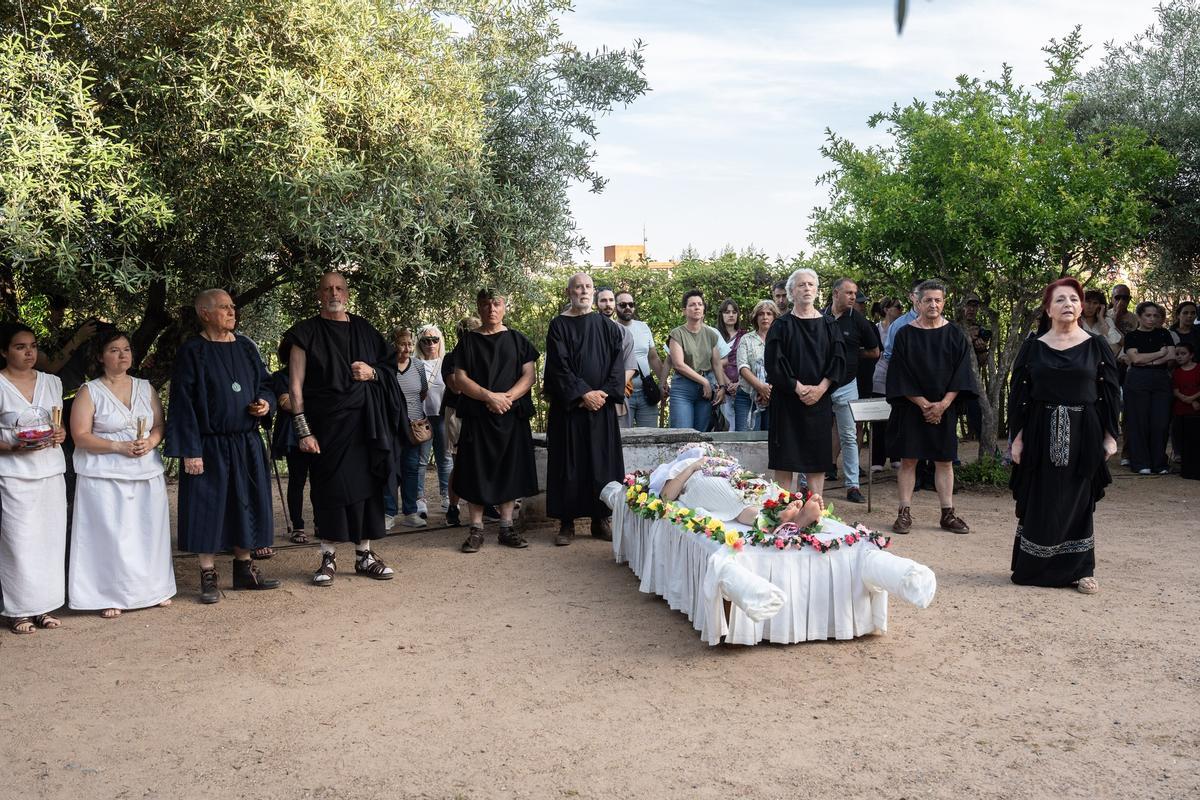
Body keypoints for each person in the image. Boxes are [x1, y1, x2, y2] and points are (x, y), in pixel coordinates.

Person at [284, 272, 400, 586]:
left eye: (339, 288)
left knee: (366, 489)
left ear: (347, 294)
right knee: (329, 490)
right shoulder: (303, 333)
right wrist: (303, 431)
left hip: (364, 426)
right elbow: (295, 387)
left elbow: (390, 369)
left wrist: (373, 372)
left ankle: (365, 555)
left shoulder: (364, 329)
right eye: (327, 289)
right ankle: (328, 557)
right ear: (318, 294)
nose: (333, 293)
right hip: (325, 428)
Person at [165, 290, 279, 603]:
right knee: (208, 508)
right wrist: (191, 450)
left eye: (232, 307)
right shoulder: (193, 351)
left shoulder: (245, 346)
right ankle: (208, 574)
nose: (232, 312)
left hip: (245, 441)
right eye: (224, 307)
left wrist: (265, 405)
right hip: (208, 444)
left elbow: (266, 384)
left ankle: (245, 570)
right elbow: (182, 404)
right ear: (204, 313)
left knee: (246, 503)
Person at [1009, 278, 1119, 594]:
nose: (1067, 304)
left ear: (1081, 306)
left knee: (1078, 498)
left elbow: (1110, 392)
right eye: (1059, 300)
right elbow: (1019, 396)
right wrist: (1017, 438)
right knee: (1042, 498)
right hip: (1040, 430)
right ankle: (1034, 567)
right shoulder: (1033, 347)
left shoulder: (1096, 346)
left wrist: (1110, 435)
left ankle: (1082, 570)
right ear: (1048, 308)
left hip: (1085, 430)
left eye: (1073, 298)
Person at [68, 330, 175, 617]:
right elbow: (80, 436)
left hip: (145, 470)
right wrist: (118, 446)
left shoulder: (145, 387)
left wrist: (150, 443)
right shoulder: (89, 391)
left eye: (126, 349)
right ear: (101, 356)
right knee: (110, 535)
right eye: (114, 350)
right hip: (104, 475)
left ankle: (154, 589)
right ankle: (108, 594)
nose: (123, 354)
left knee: (148, 532)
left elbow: (159, 425)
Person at [885, 279, 976, 534]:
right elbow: (900, 374)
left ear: (944, 302)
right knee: (909, 461)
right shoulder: (904, 333)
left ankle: (948, 514)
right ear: (918, 302)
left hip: (944, 409)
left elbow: (962, 374)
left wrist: (943, 404)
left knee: (944, 461)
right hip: (912, 408)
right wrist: (925, 404)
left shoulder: (955, 334)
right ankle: (904, 513)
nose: (933, 304)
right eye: (928, 300)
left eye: (938, 300)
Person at [452, 288, 539, 552]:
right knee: (476, 470)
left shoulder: (517, 339)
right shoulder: (467, 342)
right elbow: (460, 379)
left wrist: (506, 398)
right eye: (486, 304)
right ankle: (476, 529)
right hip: (478, 416)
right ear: (478, 308)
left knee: (509, 470)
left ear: (504, 307)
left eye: (497, 304)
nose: (491, 309)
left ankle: (506, 526)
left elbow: (529, 375)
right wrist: (489, 397)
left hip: (511, 416)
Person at [543, 273, 626, 546]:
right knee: (568, 465)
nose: (584, 291)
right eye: (578, 287)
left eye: (588, 287)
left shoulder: (610, 328)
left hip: (600, 410)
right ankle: (566, 523)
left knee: (601, 465)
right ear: (569, 291)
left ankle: (599, 520)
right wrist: (582, 395)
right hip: (570, 411)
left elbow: (617, 366)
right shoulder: (559, 326)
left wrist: (600, 395)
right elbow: (558, 367)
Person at [0, 324, 68, 633]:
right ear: (4, 351)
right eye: (20, 346)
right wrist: (13, 445)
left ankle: (46, 606)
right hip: (13, 472)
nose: (29, 352)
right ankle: (19, 610)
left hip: (50, 470)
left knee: (50, 539)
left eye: (33, 346)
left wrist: (60, 433)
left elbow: (59, 426)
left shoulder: (52, 382)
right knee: (19, 540)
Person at [766, 269, 846, 497]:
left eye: (811, 284)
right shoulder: (781, 326)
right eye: (801, 285)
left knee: (816, 458)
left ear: (817, 290)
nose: (807, 288)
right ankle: (782, 510)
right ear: (791, 291)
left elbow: (839, 360)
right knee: (785, 458)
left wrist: (821, 388)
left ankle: (816, 509)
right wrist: (798, 388)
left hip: (819, 403)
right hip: (787, 403)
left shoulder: (830, 325)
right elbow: (774, 363)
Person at [649, 445, 825, 529]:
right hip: (700, 480)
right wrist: (693, 466)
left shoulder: (722, 459)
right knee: (733, 499)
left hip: (732, 473)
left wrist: (724, 464)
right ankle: (778, 520)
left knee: (760, 487)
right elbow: (666, 496)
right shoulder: (681, 465)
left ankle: (795, 516)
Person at [827, 278, 880, 504]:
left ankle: (853, 486)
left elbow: (875, 351)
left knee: (849, 435)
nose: (853, 297)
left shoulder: (859, 321)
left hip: (848, 385)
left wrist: (851, 356)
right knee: (814, 435)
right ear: (835, 293)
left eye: (855, 293)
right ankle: (804, 484)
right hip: (819, 385)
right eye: (848, 293)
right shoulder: (819, 317)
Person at [1122, 301, 1176, 474]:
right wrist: (1159, 354)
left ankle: (1159, 463)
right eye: (1148, 315)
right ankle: (1140, 463)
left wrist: (1148, 359)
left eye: (1155, 316)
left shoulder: (1164, 333)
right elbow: (1135, 359)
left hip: (1161, 379)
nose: (1152, 319)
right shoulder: (1132, 336)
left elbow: (1171, 356)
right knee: (1139, 422)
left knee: (1160, 422)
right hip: (1137, 378)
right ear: (1139, 316)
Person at [384, 327, 429, 529]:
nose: (407, 348)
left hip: (414, 427)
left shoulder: (418, 366)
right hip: (391, 426)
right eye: (402, 344)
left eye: (410, 344)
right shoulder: (385, 367)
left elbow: (422, 392)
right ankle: (388, 512)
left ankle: (410, 511)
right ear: (394, 345)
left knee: (411, 469)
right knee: (390, 469)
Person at [270, 343, 312, 544]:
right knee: (297, 480)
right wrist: (312, 400)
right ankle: (298, 526)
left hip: (320, 431)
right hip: (294, 435)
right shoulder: (280, 377)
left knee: (321, 480)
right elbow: (287, 403)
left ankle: (322, 522)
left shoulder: (315, 375)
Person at [441, 316, 481, 526]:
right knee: (460, 462)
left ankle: (484, 501)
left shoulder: (482, 354)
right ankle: (453, 507)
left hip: (480, 412)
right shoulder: (451, 358)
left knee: (482, 460)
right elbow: (456, 386)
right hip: (457, 412)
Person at [667, 290, 725, 431]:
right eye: (692, 305)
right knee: (682, 434)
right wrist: (704, 381)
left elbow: (716, 363)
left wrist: (722, 387)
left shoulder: (711, 334)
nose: (697, 307)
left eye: (700, 304)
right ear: (684, 311)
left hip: (705, 392)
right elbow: (678, 365)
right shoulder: (677, 333)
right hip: (683, 388)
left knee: (701, 436)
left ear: (704, 309)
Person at [614, 290, 668, 428]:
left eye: (631, 304)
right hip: (623, 393)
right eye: (623, 304)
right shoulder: (611, 329)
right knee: (623, 439)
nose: (628, 308)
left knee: (651, 437)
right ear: (615, 306)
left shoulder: (643, 327)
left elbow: (653, 358)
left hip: (646, 392)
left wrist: (663, 384)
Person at [416, 324, 453, 515]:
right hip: (421, 419)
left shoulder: (446, 362)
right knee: (421, 460)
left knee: (445, 458)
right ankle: (419, 499)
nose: (431, 344)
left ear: (440, 341)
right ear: (420, 343)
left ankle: (447, 496)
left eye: (435, 340)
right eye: (426, 340)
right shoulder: (415, 363)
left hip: (442, 416)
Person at [595, 286, 637, 424]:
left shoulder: (625, 333)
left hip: (615, 396)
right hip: (590, 399)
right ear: (596, 304)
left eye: (611, 300)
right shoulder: (587, 330)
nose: (608, 304)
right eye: (603, 301)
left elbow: (630, 367)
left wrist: (607, 392)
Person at [736, 300, 778, 431]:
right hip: (747, 397)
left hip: (774, 397)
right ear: (756, 317)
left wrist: (768, 391)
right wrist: (760, 387)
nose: (765, 317)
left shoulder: (781, 339)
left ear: (774, 317)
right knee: (745, 441)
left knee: (771, 442)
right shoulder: (746, 339)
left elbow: (784, 367)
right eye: (761, 314)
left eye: (769, 314)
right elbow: (742, 367)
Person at [959, 294, 991, 441]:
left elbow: (982, 362)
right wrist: (966, 339)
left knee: (977, 414)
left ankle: (987, 454)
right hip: (951, 380)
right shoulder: (951, 326)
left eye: (975, 306)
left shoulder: (980, 329)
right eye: (968, 305)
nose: (971, 309)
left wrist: (981, 349)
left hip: (971, 379)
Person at [715, 299, 744, 431]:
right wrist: (727, 384)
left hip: (743, 386)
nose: (731, 315)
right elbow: (713, 363)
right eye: (727, 312)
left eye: (734, 312)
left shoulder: (745, 336)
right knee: (726, 426)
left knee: (742, 425)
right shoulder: (714, 336)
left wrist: (738, 384)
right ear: (721, 315)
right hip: (721, 387)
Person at [1171, 342, 1200, 471]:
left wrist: (1193, 399)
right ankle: (1183, 461)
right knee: (1180, 434)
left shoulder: (1198, 368)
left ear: (1191, 355)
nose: (1180, 357)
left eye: (1183, 354)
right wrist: (1187, 400)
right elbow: (1175, 390)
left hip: (1196, 409)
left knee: (1194, 436)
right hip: (1180, 409)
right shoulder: (1176, 372)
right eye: (1177, 354)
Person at [1081, 290, 1123, 357]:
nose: (1091, 306)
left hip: (1103, 362)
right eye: (1088, 302)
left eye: (1095, 303)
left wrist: (1101, 318)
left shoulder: (1106, 320)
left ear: (1100, 306)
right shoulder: (1077, 320)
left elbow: (1115, 339)